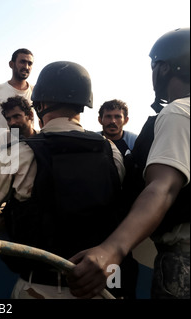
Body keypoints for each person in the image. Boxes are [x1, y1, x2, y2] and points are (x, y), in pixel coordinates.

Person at [0, 61, 138, 299]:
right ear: (84, 104)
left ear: (40, 105)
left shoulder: (20, 153)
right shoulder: (111, 150)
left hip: (42, 288)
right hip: (101, 288)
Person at [68, 28, 190, 299]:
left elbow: (164, 187)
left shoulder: (177, 112)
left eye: (154, 66)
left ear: (164, 68)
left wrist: (111, 250)